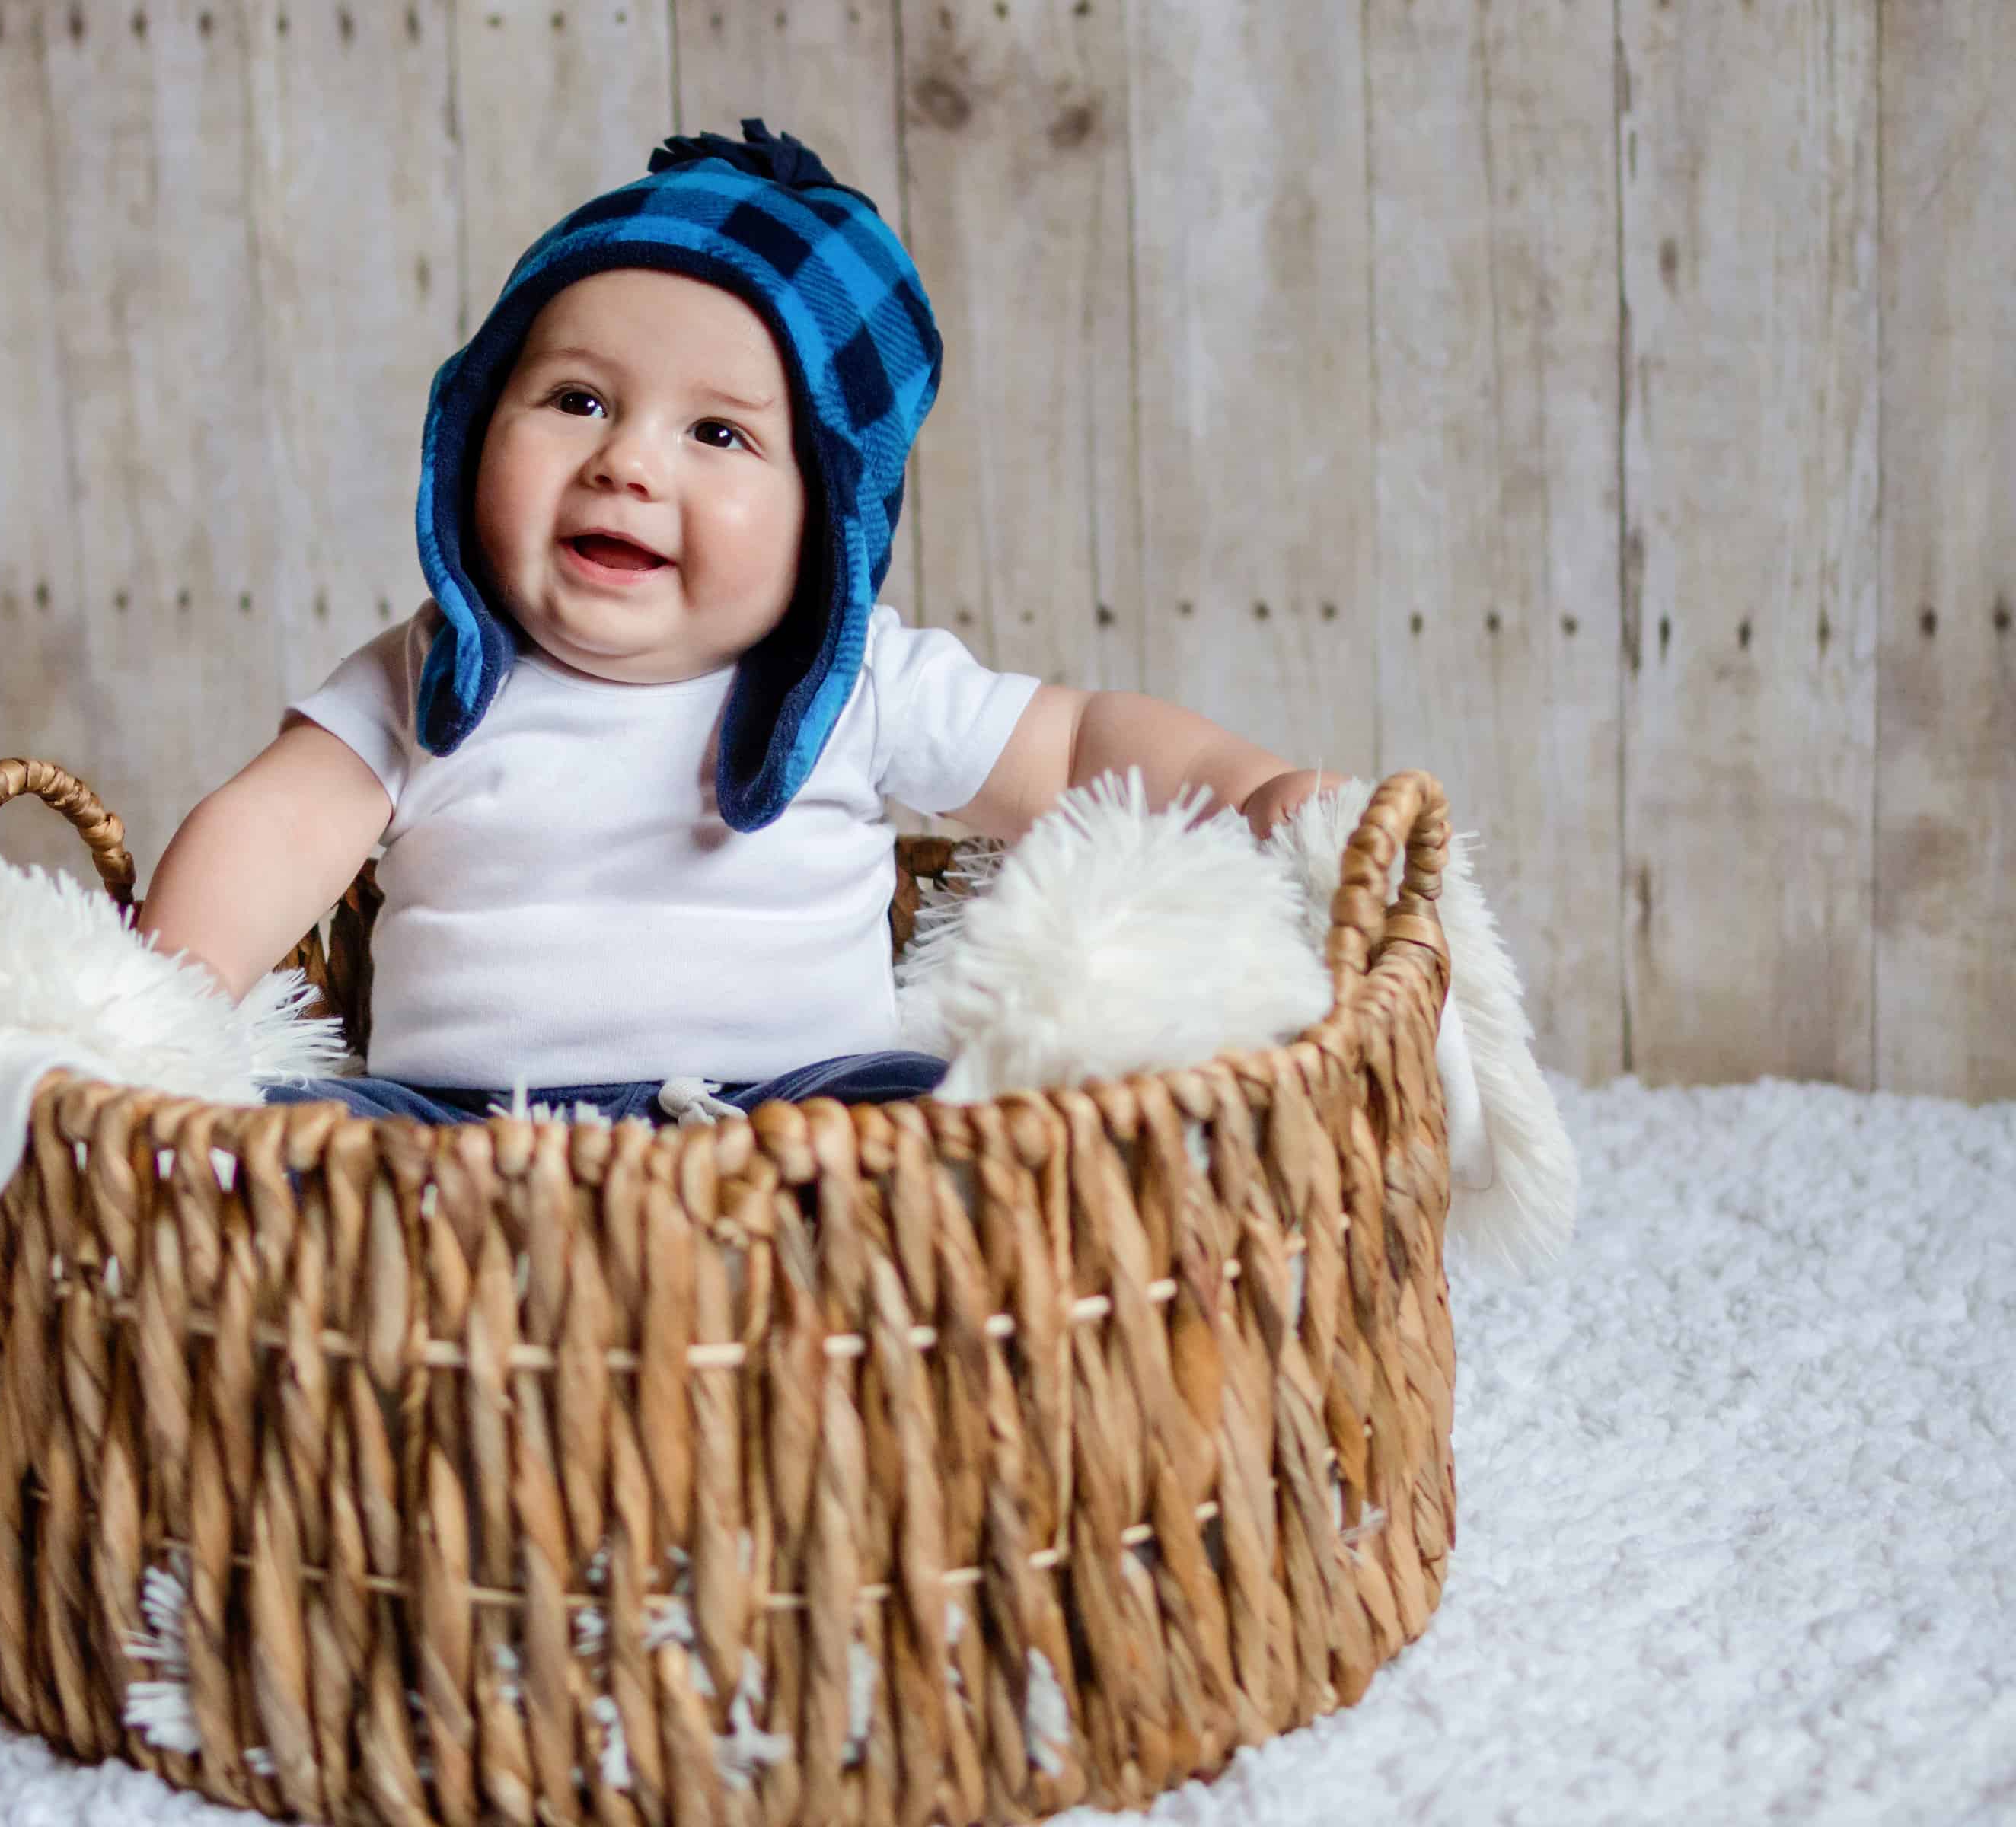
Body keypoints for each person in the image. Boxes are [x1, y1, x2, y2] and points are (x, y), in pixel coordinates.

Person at [135, 120, 1339, 1126]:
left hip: (805, 1114)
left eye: (718, 434)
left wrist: (1256, 794)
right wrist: (153, 1015)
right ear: (473, 430)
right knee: (287, 1159)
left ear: (829, 519)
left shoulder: (858, 679)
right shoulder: (433, 673)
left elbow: (1078, 752)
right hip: (462, 1136)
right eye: (577, 399)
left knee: (978, 1140)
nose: (626, 464)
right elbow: (275, 826)